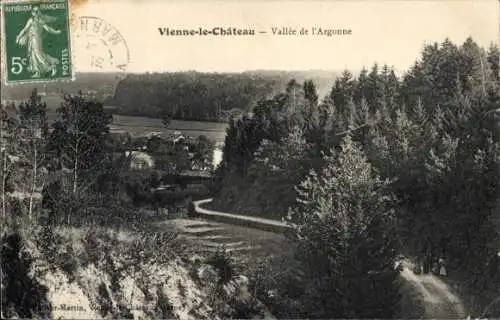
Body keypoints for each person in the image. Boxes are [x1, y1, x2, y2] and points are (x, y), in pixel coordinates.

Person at [15, 6, 61, 78]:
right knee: (32, 55)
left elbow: (48, 29)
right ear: (32, 12)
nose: (35, 13)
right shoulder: (30, 20)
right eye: (34, 11)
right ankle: (37, 72)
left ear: (39, 12)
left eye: (37, 11)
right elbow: (24, 29)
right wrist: (18, 36)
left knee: (38, 54)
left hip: (37, 39)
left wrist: (56, 32)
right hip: (31, 40)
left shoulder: (41, 20)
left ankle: (52, 67)